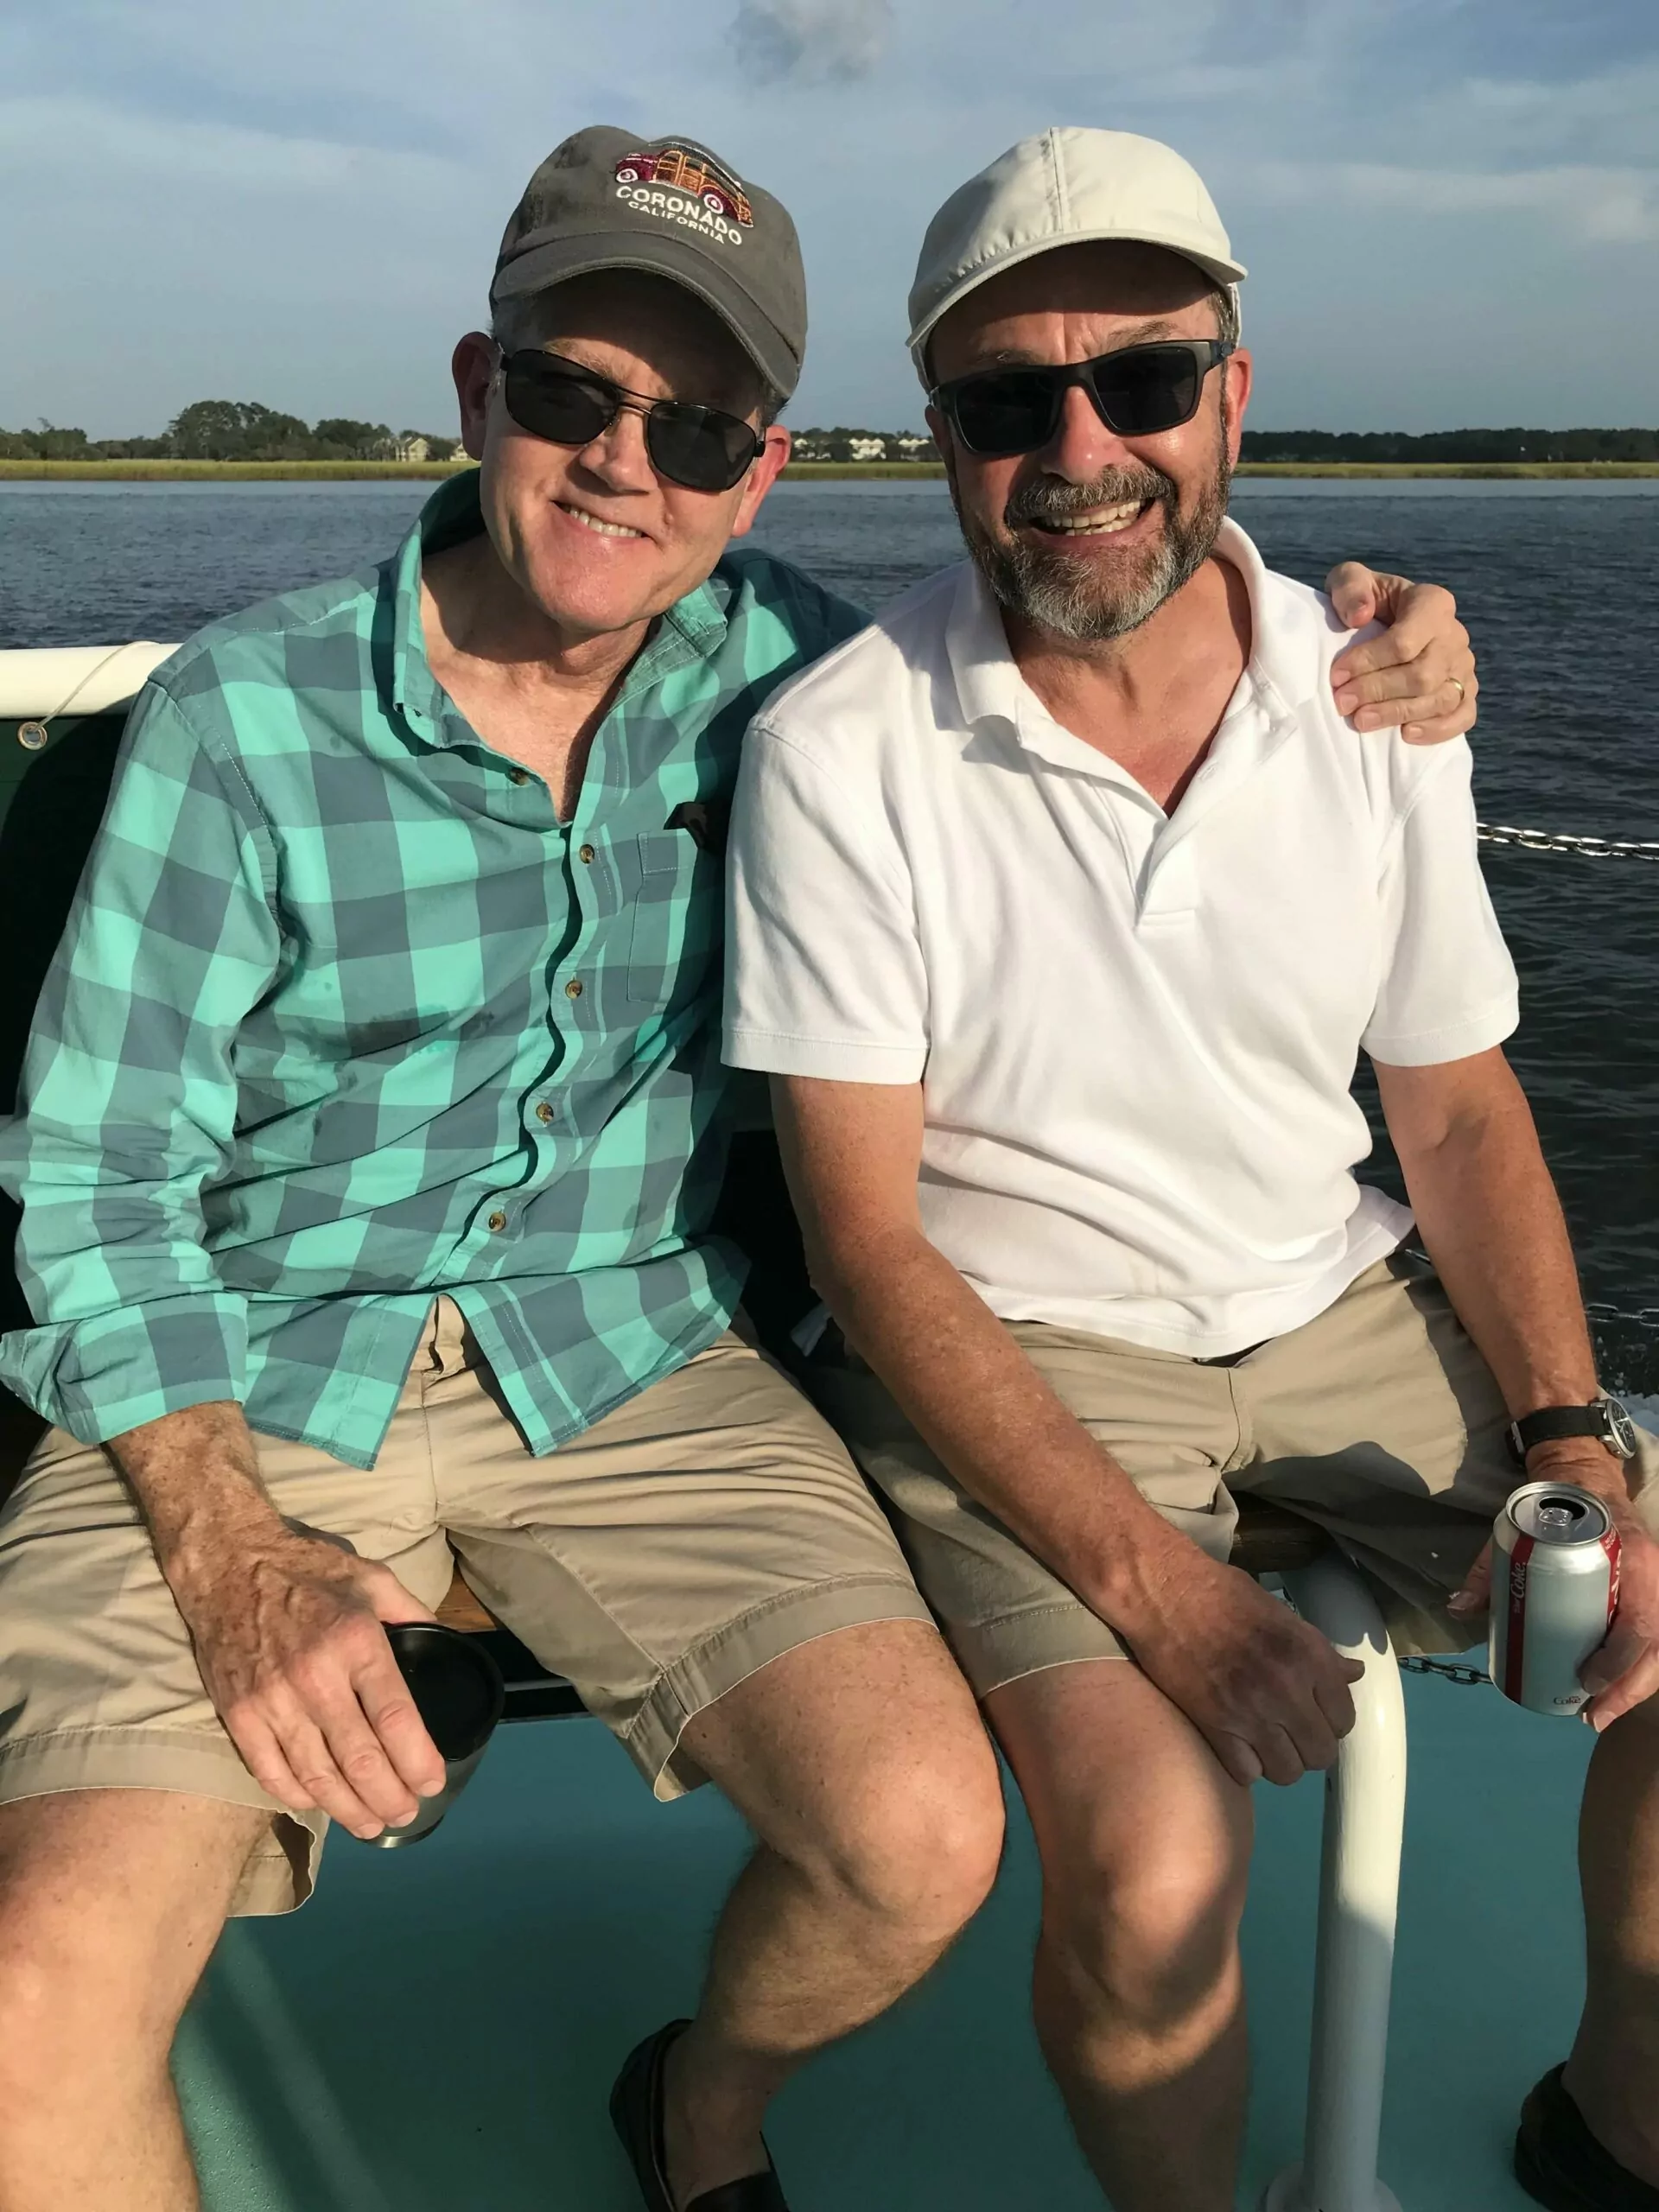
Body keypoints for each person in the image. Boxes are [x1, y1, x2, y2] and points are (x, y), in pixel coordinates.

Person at [0, 124, 1478, 2212]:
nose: (627, 464)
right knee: (30, 2006)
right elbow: (98, 1173)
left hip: (633, 1362)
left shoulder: (793, 683)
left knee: (918, 1831)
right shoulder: (245, 724)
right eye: (573, 395)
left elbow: (1095, 562)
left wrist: (1388, 627)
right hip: (243, 1374)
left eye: (695, 428)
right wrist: (231, 1550)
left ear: (762, 470)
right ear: (474, 389)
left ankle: (697, 2099)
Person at [724, 127, 1659, 2212]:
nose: (1083, 448)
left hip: (1331, 1292)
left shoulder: (1374, 693)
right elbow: (867, 1248)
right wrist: (1165, 1595)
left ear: (1233, 392)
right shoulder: (842, 751)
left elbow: (1458, 1104)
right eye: (1005, 400)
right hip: (1025, 1346)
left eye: (1142, 380)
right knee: (1155, 1871)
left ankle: (1615, 2118)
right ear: (940, 437)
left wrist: (1574, 1440)